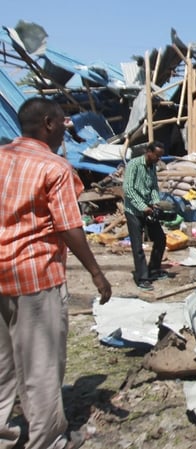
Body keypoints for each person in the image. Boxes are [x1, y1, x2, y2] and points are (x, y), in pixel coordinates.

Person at [0, 97, 112, 449]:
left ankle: (4, 434)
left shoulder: (2, 156)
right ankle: (47, 441)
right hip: (34, 277)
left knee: (2, 365)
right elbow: (69, 226)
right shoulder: (55, 167)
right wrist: (96, 272)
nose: (68, 129)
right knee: (41, 367)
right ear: (48, 123)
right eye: (64, 122)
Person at [123, 141, 168, 291]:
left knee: (160, 239)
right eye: (157, 156)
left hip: (148, 208)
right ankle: (142, 277)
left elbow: (154, 186)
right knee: (138, 246)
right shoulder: (134, 165)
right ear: (148, 152)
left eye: (160, 156)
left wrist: (155, 203)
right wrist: (143, 207)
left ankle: (154, 268)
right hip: (134, 211)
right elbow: (128, 189)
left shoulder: (152, 167)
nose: (158, 159)